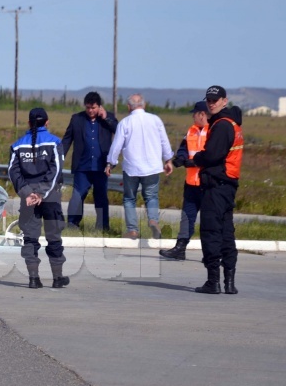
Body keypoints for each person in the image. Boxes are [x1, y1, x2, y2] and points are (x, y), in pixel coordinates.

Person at [8, 108, 69, 289]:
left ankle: (33, 279)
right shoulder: (55, 142)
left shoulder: (17, 145)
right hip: (50, 198)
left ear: (29, 123)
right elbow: (55, 171)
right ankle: (57, 278)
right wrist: (41, 193)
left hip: (28, 200)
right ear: (47, 122)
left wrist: (28, 193)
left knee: (30, 238)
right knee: (54, 237)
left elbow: (13, 172)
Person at [192, 85, 244, 294]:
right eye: (209, 100)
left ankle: (213, 281)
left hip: (217, 186)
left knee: (212, 232)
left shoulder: (222, 125)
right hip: (228, 185)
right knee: (226, 233)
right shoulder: (232, 123)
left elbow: (212, 155)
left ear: (225, 100)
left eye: (216, 100)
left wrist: (195, 158)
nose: (211, 103)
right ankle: (229, 282)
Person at [105, 94, 174, 239]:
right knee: (151, 197)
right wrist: (168, 159)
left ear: (129, 106)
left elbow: (116, 145)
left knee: (130, 199)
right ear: (144, 104)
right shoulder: (155, 120)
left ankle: (132, 230)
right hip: (152, 167)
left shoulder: (125, 122)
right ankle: (153, 220)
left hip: (132, 168)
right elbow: (164, 141)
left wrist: (110, 162)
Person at [61, 91, 118, 231]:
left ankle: (103, 226)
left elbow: (119, 130)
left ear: (99, 107)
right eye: (88, 108)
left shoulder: (108, 117)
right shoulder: (76, 119)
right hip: (82, 166)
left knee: (101, 196)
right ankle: (72, 224)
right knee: (78, 195)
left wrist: (106, 119)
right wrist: (59, 156)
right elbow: (67, 139)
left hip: (101, 166)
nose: (91, 111)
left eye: (93, 108)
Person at [160, 101, 209, 260]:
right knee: (187, 217)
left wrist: (195, 162)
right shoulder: (191, 131)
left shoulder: (214, 131)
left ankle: (211, 253)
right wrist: (178, 160)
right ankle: (180, 248)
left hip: (208, 184)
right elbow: (183, 149)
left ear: (202, 114)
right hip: (191, 184)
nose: (192, 116)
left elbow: (214, 155)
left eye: (194, 113)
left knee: (210, 221)